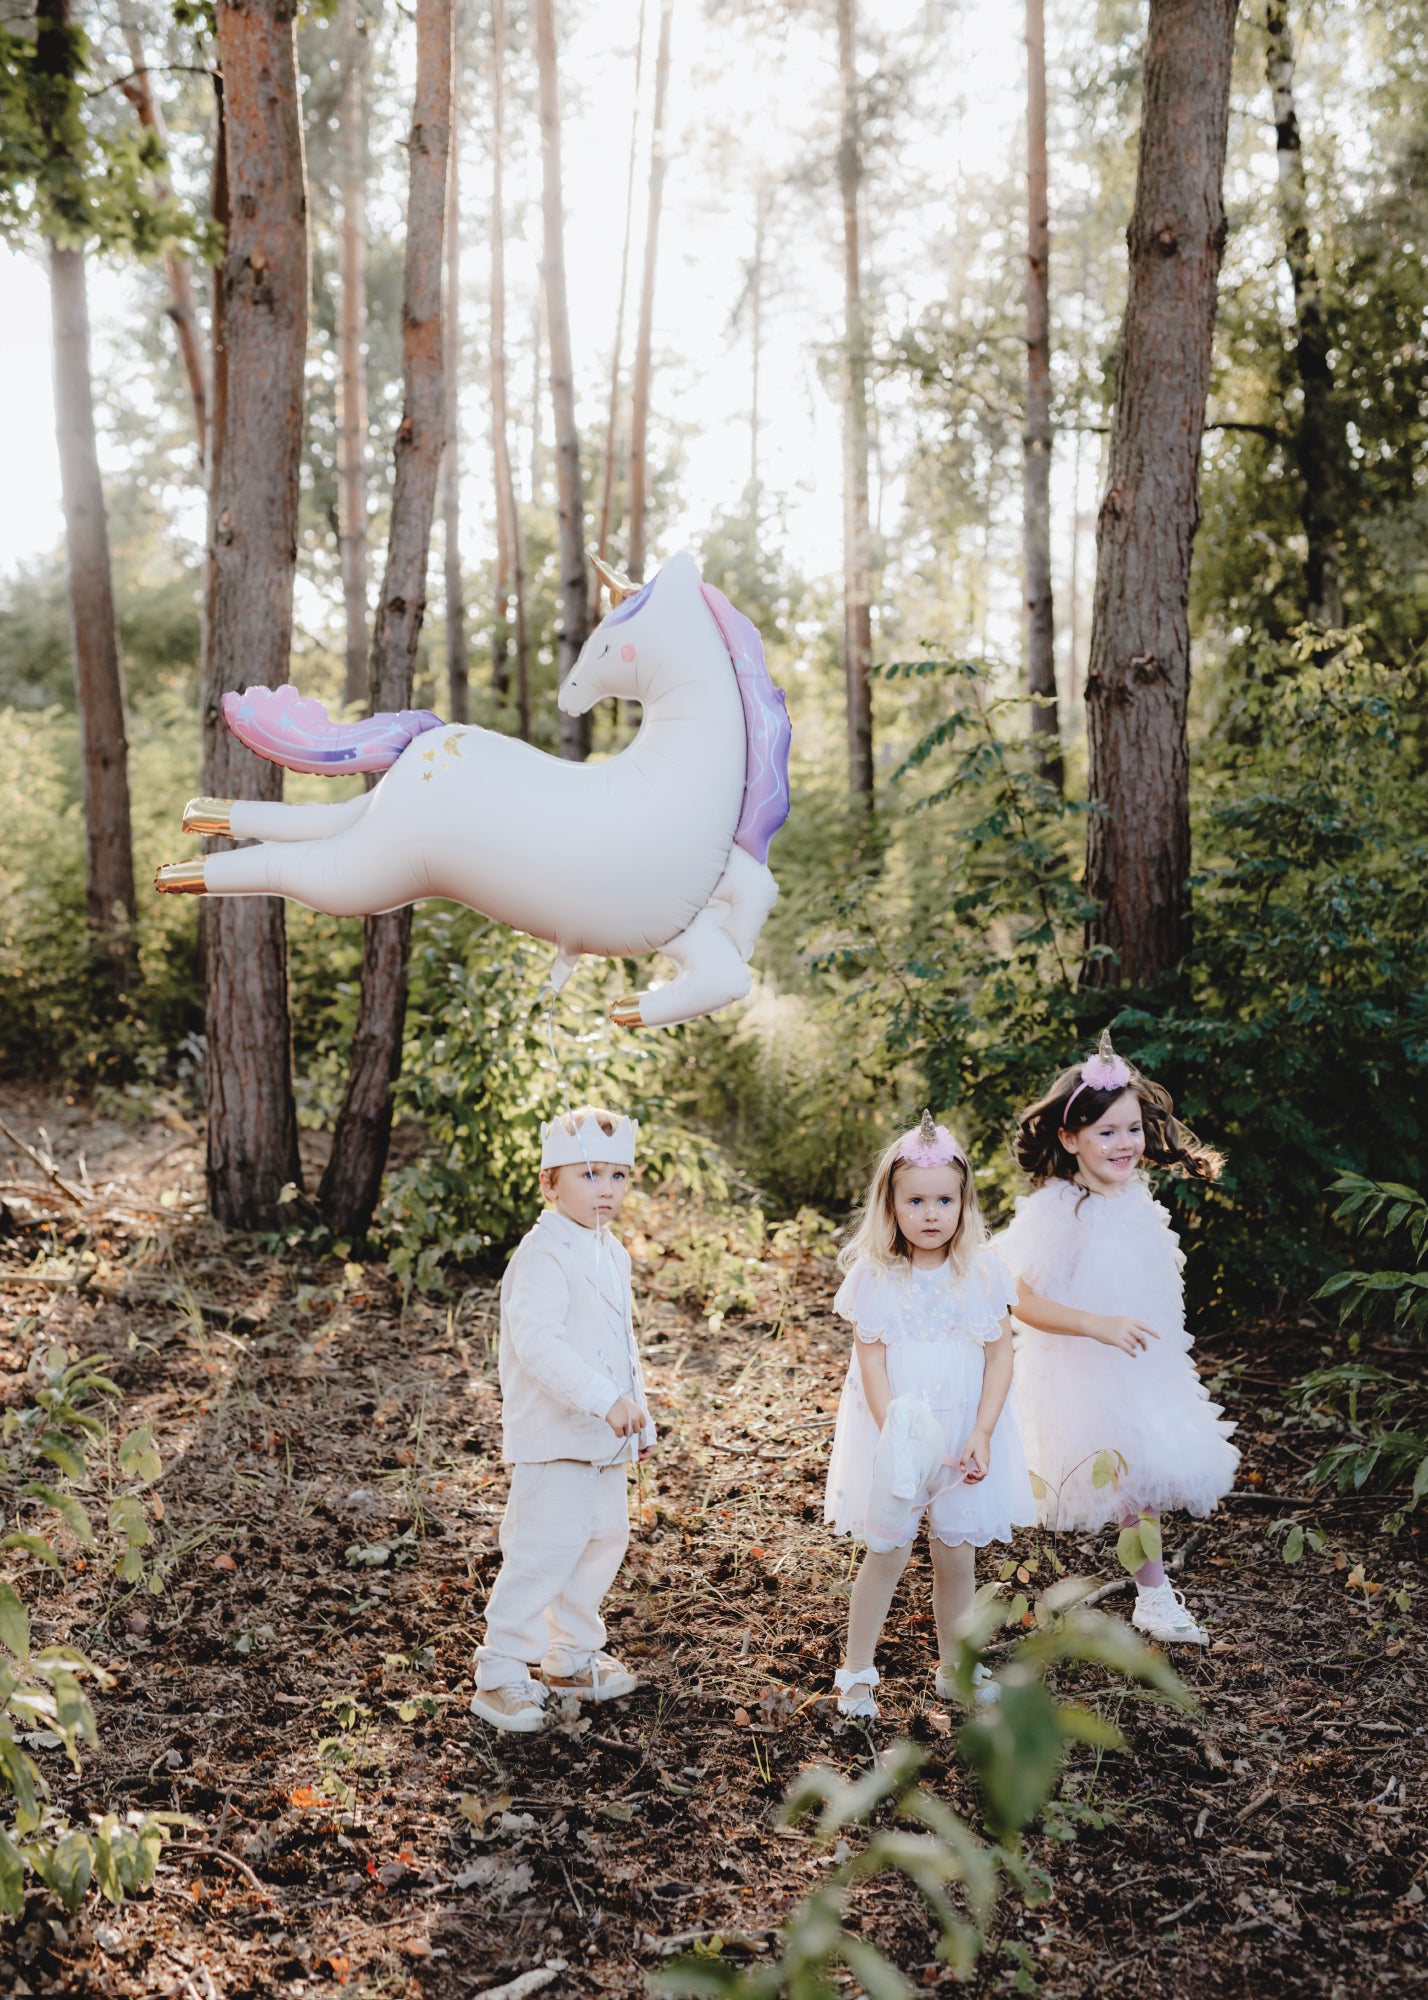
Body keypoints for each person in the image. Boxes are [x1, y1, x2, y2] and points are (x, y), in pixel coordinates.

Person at [997, 1032, 1239, 1646]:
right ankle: (1151, 1595)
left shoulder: (1134, 1199)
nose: (1124, 1143)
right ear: (1069, 1138)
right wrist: (1097, 1324)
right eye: (1106, 1132)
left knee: (1145, 1475)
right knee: (1131, 1477)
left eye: (1132, 1129)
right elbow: (1019, 1300)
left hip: (1143, 1364)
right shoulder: (1060, 1211)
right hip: (1085, 1367)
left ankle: (1151, 1593)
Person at [825, 1113, 1034, 1720]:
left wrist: (983, 1431)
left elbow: (999, 1356)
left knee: (956, 1557)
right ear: (890, 1206)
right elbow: (871, 1364)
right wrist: (898, 1433)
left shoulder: (982, 1273)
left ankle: (955, 1668)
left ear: (964, 1203)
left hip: (965, 1434)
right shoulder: (876, 1277)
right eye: (915, 1201)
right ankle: (857, 1671)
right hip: (900, 1436)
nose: (931, 1213)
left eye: (945, 1200)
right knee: (887, 1552)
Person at [470, 1105, 653, 1733]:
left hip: (604, 1437)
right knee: (543, 1551)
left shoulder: (612, 1252)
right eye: (589, 1174)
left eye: (618, 1176)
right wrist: (604, 1398)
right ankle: (501, 1670)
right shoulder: (541, 1255)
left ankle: (571, 1654)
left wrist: (638, 1416)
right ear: (550, 1183)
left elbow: (622, 1343)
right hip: (554, 1438)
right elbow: (539, 1345)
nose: (607, 1189)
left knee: (602, 1541)